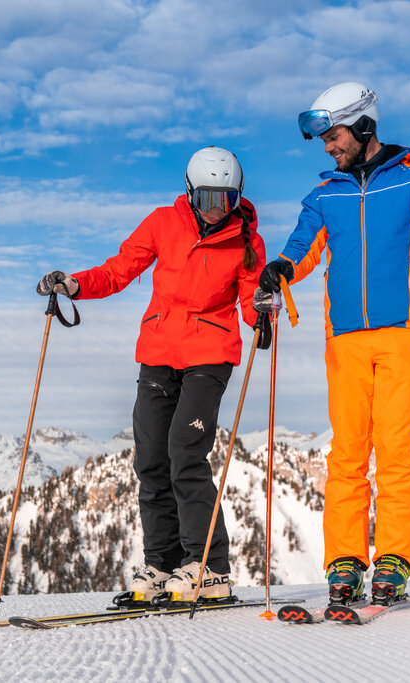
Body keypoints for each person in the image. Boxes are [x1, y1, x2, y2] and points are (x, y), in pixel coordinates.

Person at [258, 82, 410, 604]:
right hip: (344, 337)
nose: (328, 146)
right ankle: (345, 560)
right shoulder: (325, 194)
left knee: (395, 449)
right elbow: (301, 246)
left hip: (402, 331)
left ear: (364, 125)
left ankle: (393, 558)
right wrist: (281, 268)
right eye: (323, 138)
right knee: (347, 452)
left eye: (334, 134)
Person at [37, 146, 268, 604]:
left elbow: (249, 299)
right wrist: (75, 285)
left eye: (225, 200)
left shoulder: (246, 241)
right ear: (190, 193)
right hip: (159, 352)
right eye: (206, 199)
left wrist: (262, 310)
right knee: (151, 461)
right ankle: (162, 564)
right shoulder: (163, 223)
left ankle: (208, 568)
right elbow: (120, 270)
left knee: (185, 453)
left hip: (209, 355)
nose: (215, 210)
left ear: (238, 197)